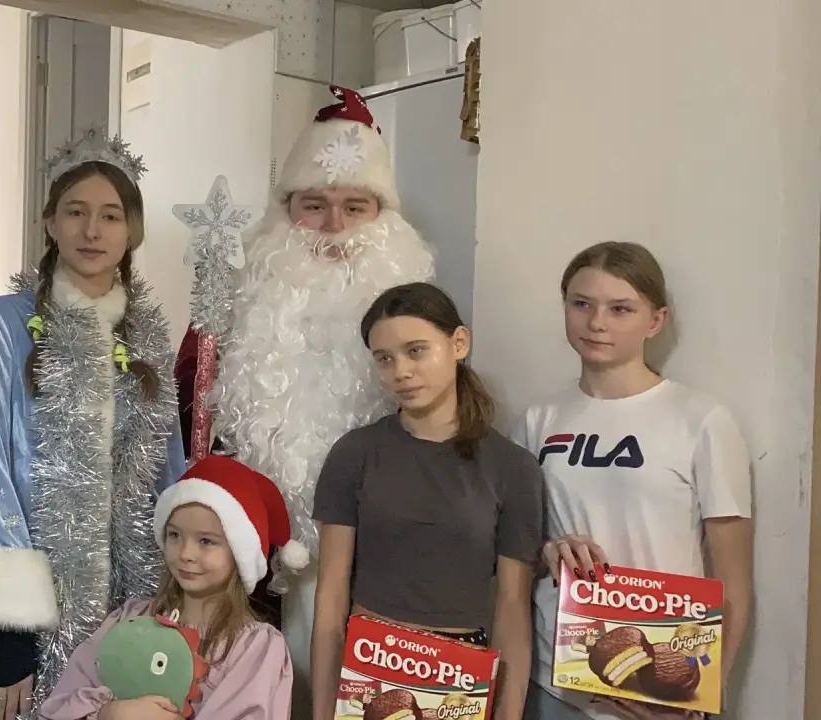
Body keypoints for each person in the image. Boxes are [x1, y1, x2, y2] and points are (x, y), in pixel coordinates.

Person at [0, 128, 187, 720]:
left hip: (124, 614)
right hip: (24, 621)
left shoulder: (147, 341)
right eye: (76, 212)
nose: (92, 230)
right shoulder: (5, 325)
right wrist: (11, 625)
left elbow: (168, 476)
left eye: (110, 215)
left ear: (131, 231)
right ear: (51, 222)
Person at [187, 85, 436, 707]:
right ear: (286, 211)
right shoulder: (233, 318)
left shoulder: (423, 333)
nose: (334, 227)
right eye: (314, 206)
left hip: (387, 574)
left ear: (384, 218)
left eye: (356, 207)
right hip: (258, 570)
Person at [514, 242, 753, 720]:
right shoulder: (538, 420)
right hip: (555, 684)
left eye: (620, 309)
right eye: (581, 304)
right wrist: (548, 551)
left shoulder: (701, 420)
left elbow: (734, 582)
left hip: (660, 693)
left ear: (656, 321)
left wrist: (700, 699)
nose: (596, 323)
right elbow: (513, 555)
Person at [310, 282, 544, 720]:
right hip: (370, 666)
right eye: (384, 359)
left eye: (416, 351)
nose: (400, 371)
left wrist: (508, 713)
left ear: (459, 343)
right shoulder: (354, 454)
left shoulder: (513, 468)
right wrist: (322, 710)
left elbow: (512, 609)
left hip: (459, 680)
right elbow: (331, 596)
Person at [40, 455, 294, 719]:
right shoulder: (130, 619)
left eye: (206, 541)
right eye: (175, 535)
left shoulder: (254, 650)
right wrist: (108, 713)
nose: (186, 554)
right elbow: (60, 705)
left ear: (240, 553)